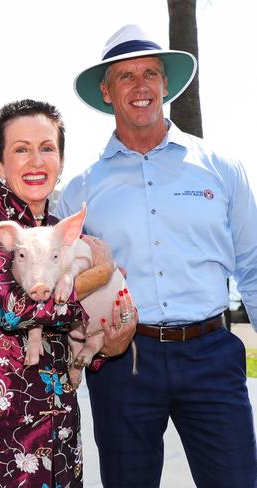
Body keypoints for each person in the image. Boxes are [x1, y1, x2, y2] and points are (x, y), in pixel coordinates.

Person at [57, 24, 257, 488]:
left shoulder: (221, 169)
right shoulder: (81, 191)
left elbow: (252, 266)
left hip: (212, 353)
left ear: (166, 84)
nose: (141, 85)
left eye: (150, 73)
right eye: (126, 77)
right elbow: (67, 290)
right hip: (125, 360)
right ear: (107, 91)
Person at [0, 99, 136, 487]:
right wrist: (99, 277)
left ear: (61, 162)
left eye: (47, 148)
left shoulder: (65, 231)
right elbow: (13, 307)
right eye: (21, 149)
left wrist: (111, 338)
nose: (36, 161)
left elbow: (79, 337)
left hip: (57, 433)